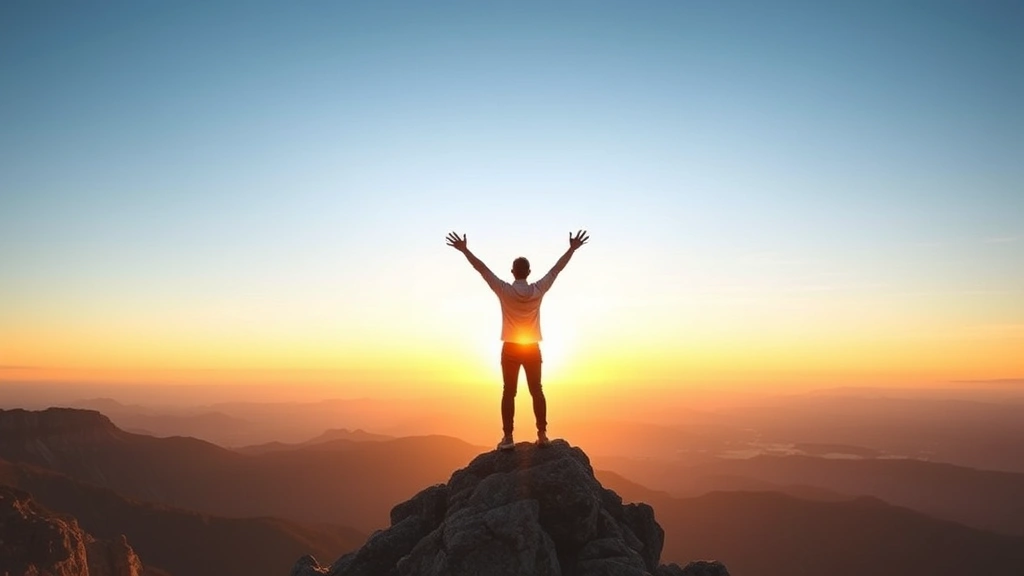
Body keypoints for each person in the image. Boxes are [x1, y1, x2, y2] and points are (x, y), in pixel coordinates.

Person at [446, 229, 590, 450]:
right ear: (529, 272)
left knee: (508, 392)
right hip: (532, 348)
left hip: (511, 349)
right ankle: (542, 434)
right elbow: (556, 270)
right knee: (537, 390)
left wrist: (465, 250)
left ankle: (508, 438)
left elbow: (482, 269)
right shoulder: (538, 290)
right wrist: (571, 249)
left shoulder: (504, 290)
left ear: (513, 272)